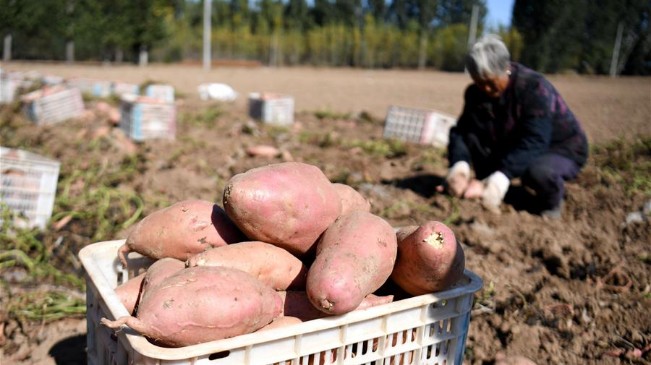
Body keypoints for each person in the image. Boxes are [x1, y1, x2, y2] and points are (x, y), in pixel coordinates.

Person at [438, 34, 588, 218]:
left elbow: (536, 139)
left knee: (537, 172)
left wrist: (502, 175)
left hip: (560, 147)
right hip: (514, 141)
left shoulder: (533, 88)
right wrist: (459, 167)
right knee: (474, 137)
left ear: (506, 68)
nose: (485, 90)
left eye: (491, 83)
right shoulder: (475, 94)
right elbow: (462, 132)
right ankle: (485, 187)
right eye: (479, 83)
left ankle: (551, 204)